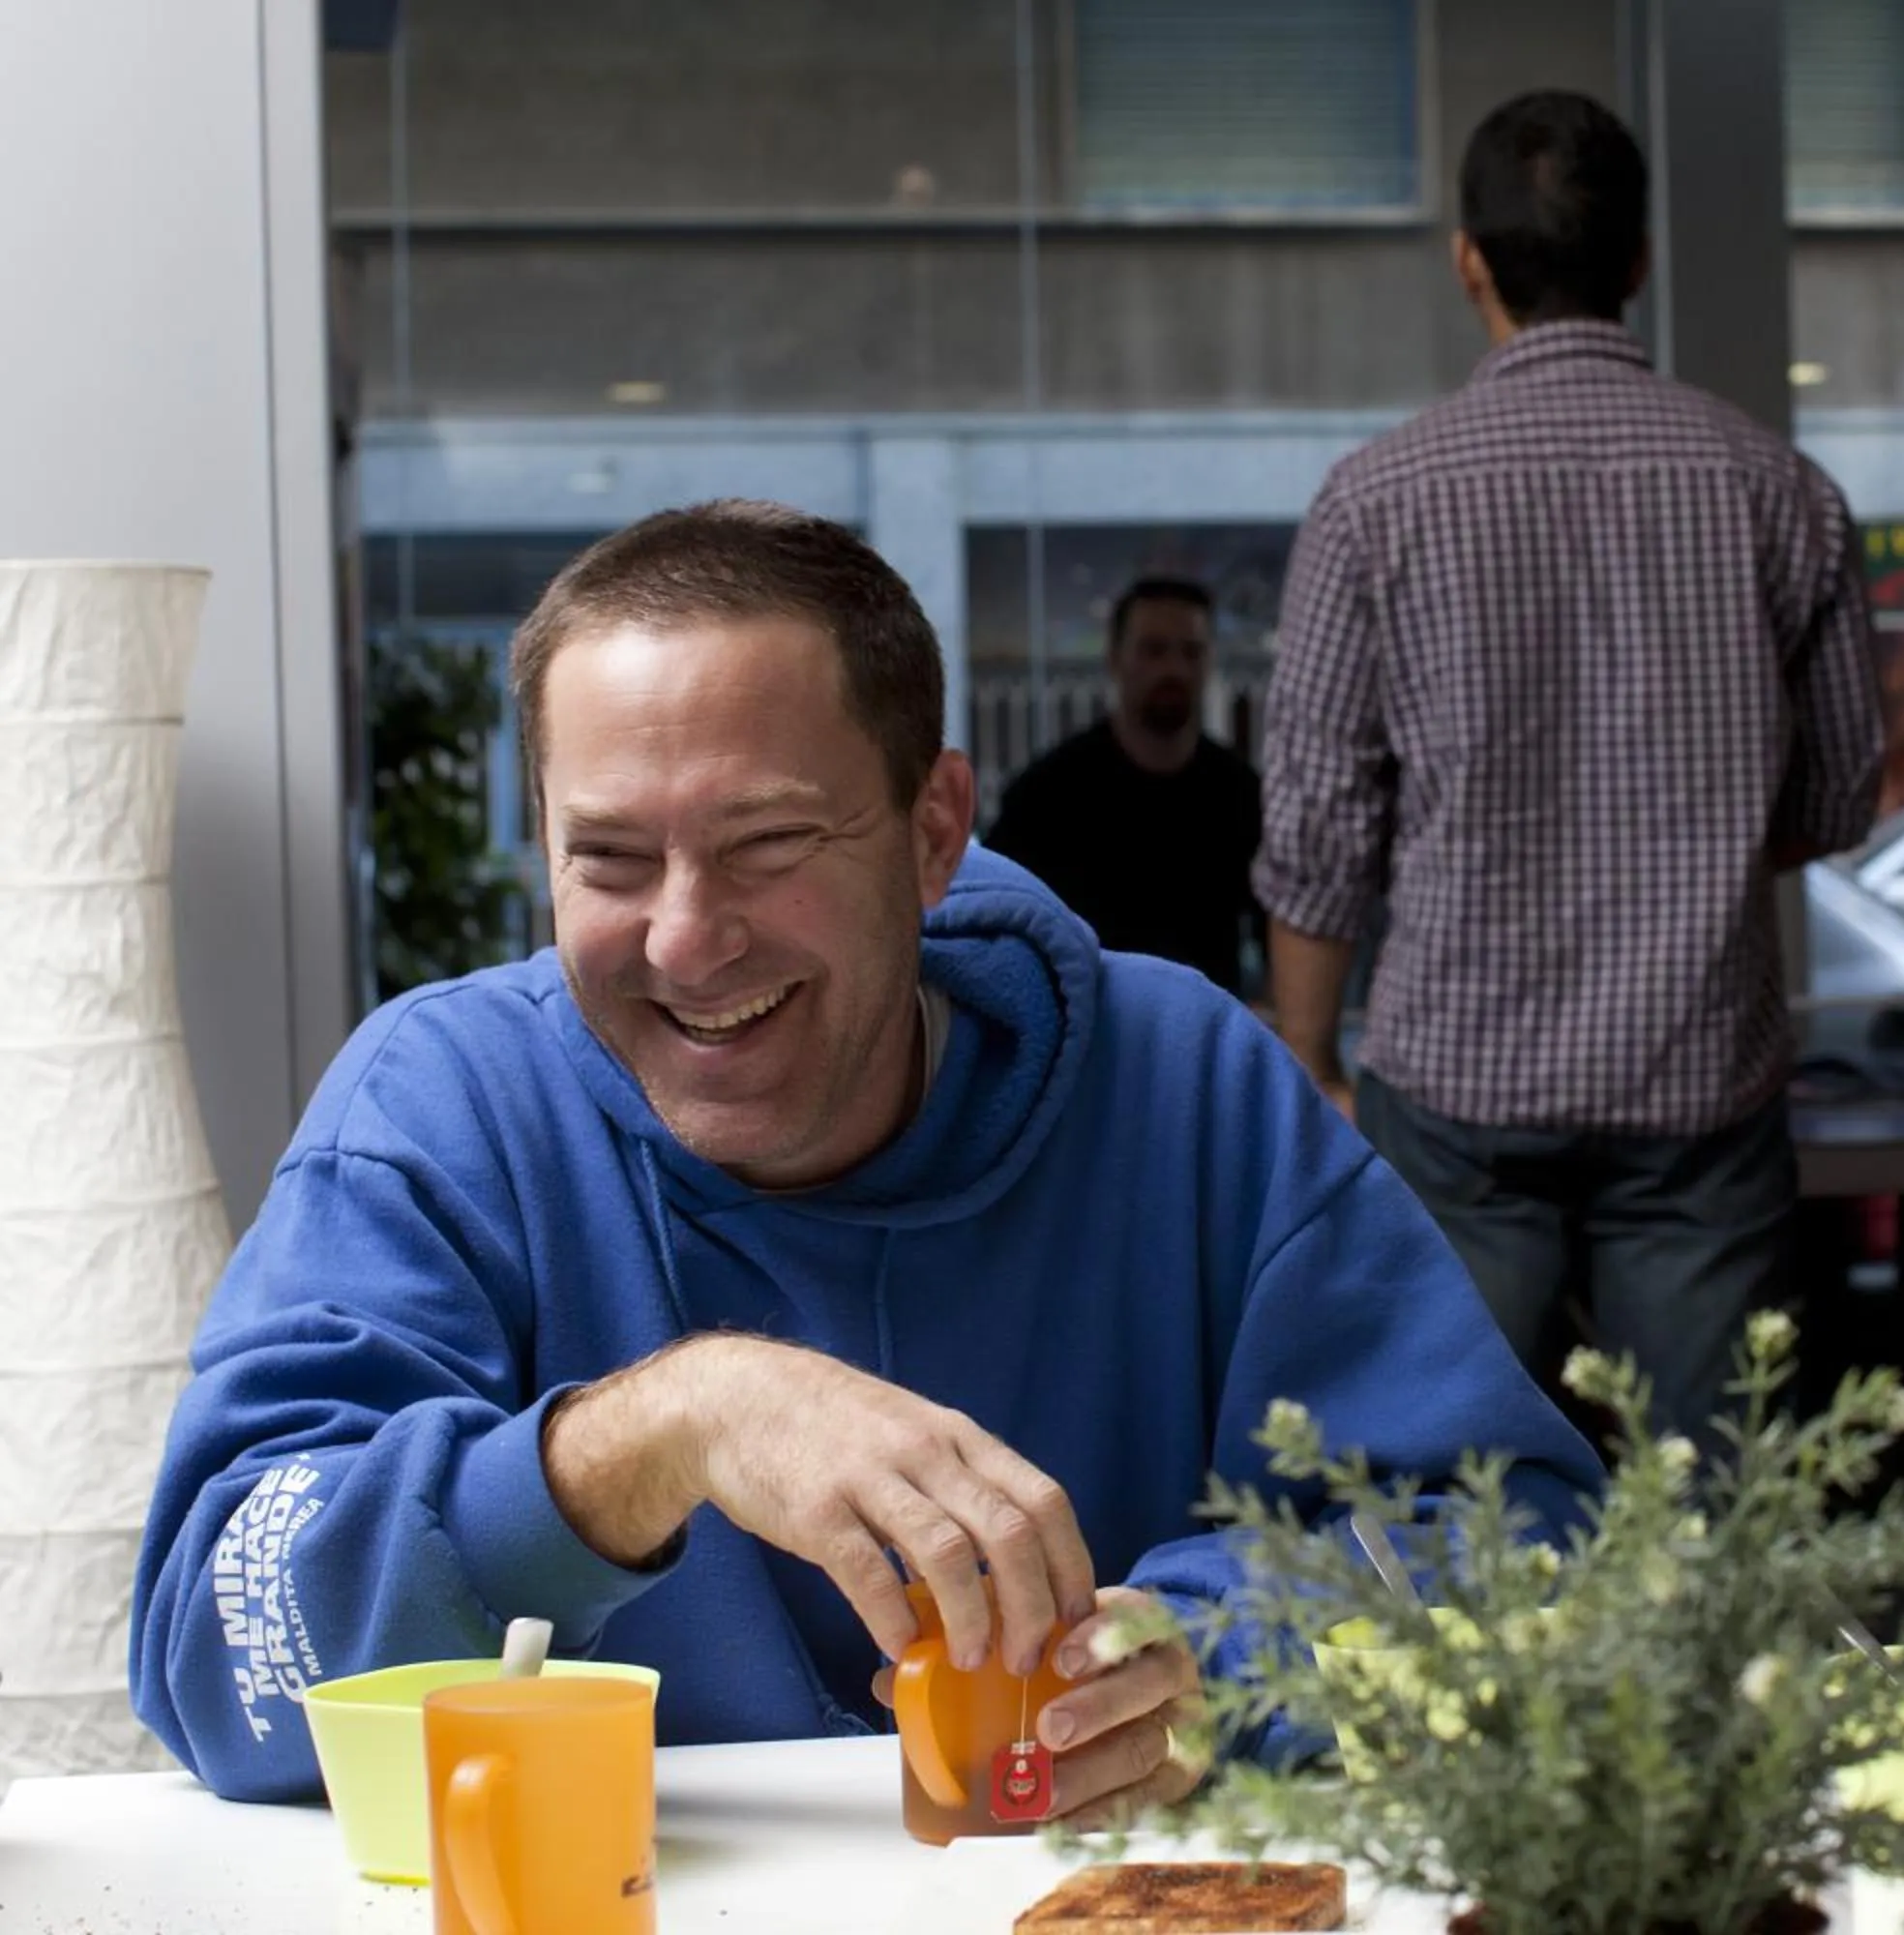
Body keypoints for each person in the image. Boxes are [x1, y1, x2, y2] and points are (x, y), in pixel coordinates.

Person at [128, 502, 1602, 1811]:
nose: (686, 939)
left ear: (933, 830)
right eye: (610, 860)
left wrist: (1220, 1659)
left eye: (767, 844)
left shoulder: (1189, 1085)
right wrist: (649, 1439)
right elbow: (219, 1652)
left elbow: (1524, 1541)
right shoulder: (439, 1106)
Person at [1255, 91, 1883, 1443]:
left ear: (1469, 259)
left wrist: (1308, 1052)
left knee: (1444, 1498)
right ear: (1640, 260)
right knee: (1718, 1521)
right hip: (1698, 1079)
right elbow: (1835, 796)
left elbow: (1316, 829)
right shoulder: (1779, 490)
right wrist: (1687, 842)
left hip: (1454, 1092)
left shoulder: (1374, 499)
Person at [983, 577, 1264, 994]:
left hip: (1209, 1040)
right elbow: (998, 928)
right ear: (1115, 659)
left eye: (1191, 651)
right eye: (1154, 650)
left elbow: (1278, 930)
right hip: (1084, 1037)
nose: (1174, 669)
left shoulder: (1242, 794)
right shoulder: (1047, 796)